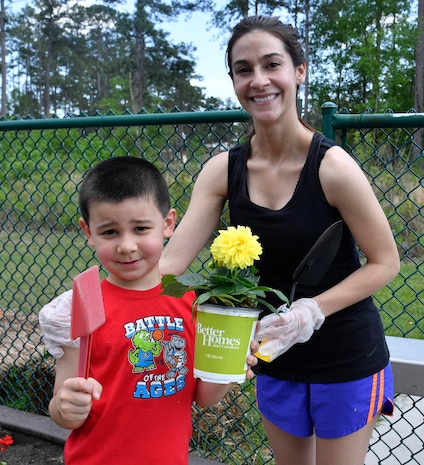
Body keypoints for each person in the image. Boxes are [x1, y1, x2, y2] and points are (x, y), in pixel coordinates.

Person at [159, 15, 401, 465]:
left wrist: (310, 311)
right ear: (233, 79)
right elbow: (171, 264)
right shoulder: (222, 170)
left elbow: (385, 262)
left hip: (345, 355)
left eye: (272, 64)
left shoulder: (333, 167)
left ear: (299, 71)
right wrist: (95, 294)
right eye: (244, 69)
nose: (259, 80)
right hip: (269, 352)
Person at [38, 157, 255, 465]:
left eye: (140, 228)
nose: (127, 246)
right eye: (110, 232)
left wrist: (229, 366)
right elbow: (63, 411)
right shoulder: (80, 307)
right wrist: (65, 406)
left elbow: (204, 398)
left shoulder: (192, 303)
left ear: (168, 224)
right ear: (88, 232)